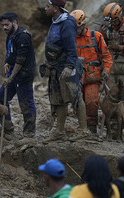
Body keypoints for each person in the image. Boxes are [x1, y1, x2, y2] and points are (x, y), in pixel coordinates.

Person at [41, 0, 88, 141]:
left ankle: (84, 130)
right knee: (59, 99)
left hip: (65, 66)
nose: (45, 8)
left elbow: (71, 47)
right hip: (56, 67)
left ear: (56, 8)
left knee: (75, 96)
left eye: (47, 6)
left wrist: (69, 66)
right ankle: (60, 131)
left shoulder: (67, 23)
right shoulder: (55, 21)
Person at [70, 10, 113, 135]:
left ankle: (92, 129)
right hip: (76, 77)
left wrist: (106, 71)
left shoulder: (96, 36)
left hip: (92, 77)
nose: (75, 30)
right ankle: (82, 127)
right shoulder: (70, 37)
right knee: (78, 103)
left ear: (83, 24)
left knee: (91, 101)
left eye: (77, 27)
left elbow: (106, 57)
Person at [0, 12, 36, 138]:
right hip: (13, 73)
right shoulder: (10, 35)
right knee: (1, 98)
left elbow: (20, 60)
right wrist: (7, 62)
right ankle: (8, 128)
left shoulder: (23, 37)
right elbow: (10, 53)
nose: (5, 28)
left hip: (23, 75)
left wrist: (11, 78)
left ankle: (29, 133)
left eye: (7, 24)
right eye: (3, 25)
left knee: (26, 103)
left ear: (15, 22)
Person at [100, 2, 124, 83]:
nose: (112, 23)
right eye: (110, 20)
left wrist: (119, 47)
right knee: (111, 93)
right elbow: (105, 47)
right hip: (112, 68)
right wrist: (103, 36)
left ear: (120, 16)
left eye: (114, 20)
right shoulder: (109, 28)